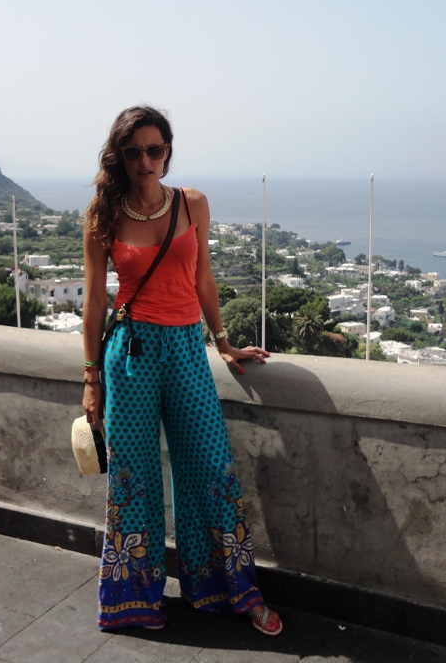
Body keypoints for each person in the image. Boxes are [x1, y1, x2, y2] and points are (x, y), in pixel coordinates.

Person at [82, 105, 283, 636]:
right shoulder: (104, 214)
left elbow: (203, 279)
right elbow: (95, 302)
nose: (145, 160)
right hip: (130, 355)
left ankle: (229, 589)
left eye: (154, 149)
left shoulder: (192, 203)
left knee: (208, 467)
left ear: (167, 150)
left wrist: (223, 342)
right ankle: (134, 600)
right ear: (120, 156)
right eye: (133, 151)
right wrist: (91, 379)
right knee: (134, 477)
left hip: (188, 349)